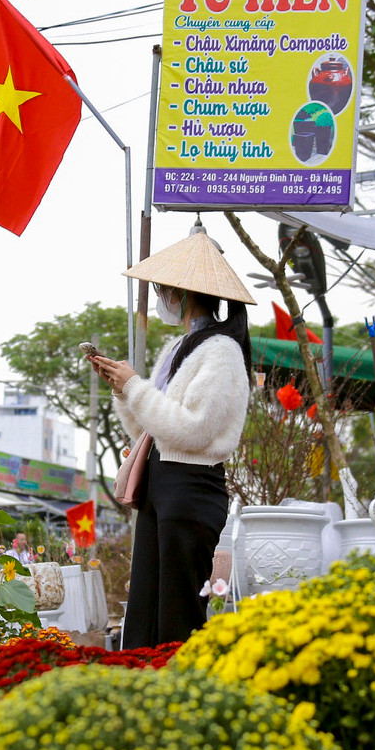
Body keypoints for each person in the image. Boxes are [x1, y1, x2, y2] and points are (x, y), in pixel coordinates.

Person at [90, 228, 254, 648]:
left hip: (190, 488)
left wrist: (134, 387)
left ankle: (177, 701)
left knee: (178, 614)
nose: (162, 296)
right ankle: (144, 693)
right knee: (145, 609)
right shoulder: (181, 347)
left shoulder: (222, 351)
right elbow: (154, 433)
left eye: (163, 289)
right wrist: (122, 387)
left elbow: (191, 429)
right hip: (163, 486)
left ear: (180, 291)